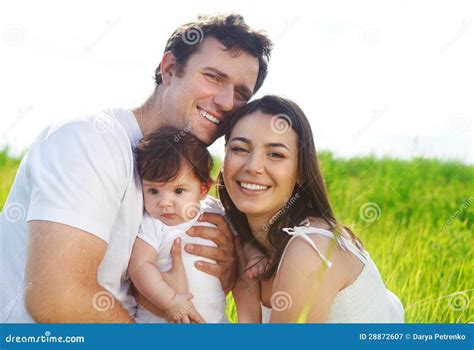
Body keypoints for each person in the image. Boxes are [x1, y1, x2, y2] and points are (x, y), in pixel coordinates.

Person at [0, 13, 272, 323]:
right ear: (170, 69)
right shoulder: (89, 142)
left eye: (241, 93)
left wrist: (225, 269)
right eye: (213, 77)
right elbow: (58, 298)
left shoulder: (191, 186)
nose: (226, 101)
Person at [218, 95, 405, 323]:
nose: (253, 166)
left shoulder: (309, 249)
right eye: (240, 149)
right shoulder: (239, 235)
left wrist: (245, 299)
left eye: (275, 154)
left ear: (301, 171)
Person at [129, 126, 266, 323]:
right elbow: (140, 265)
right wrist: (171, 302)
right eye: (153, 191)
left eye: (178, 191)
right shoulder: (153, 222)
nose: (165, 202)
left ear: (202, 189)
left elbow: (242, 238)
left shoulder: (215, 210)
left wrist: (254, 255)